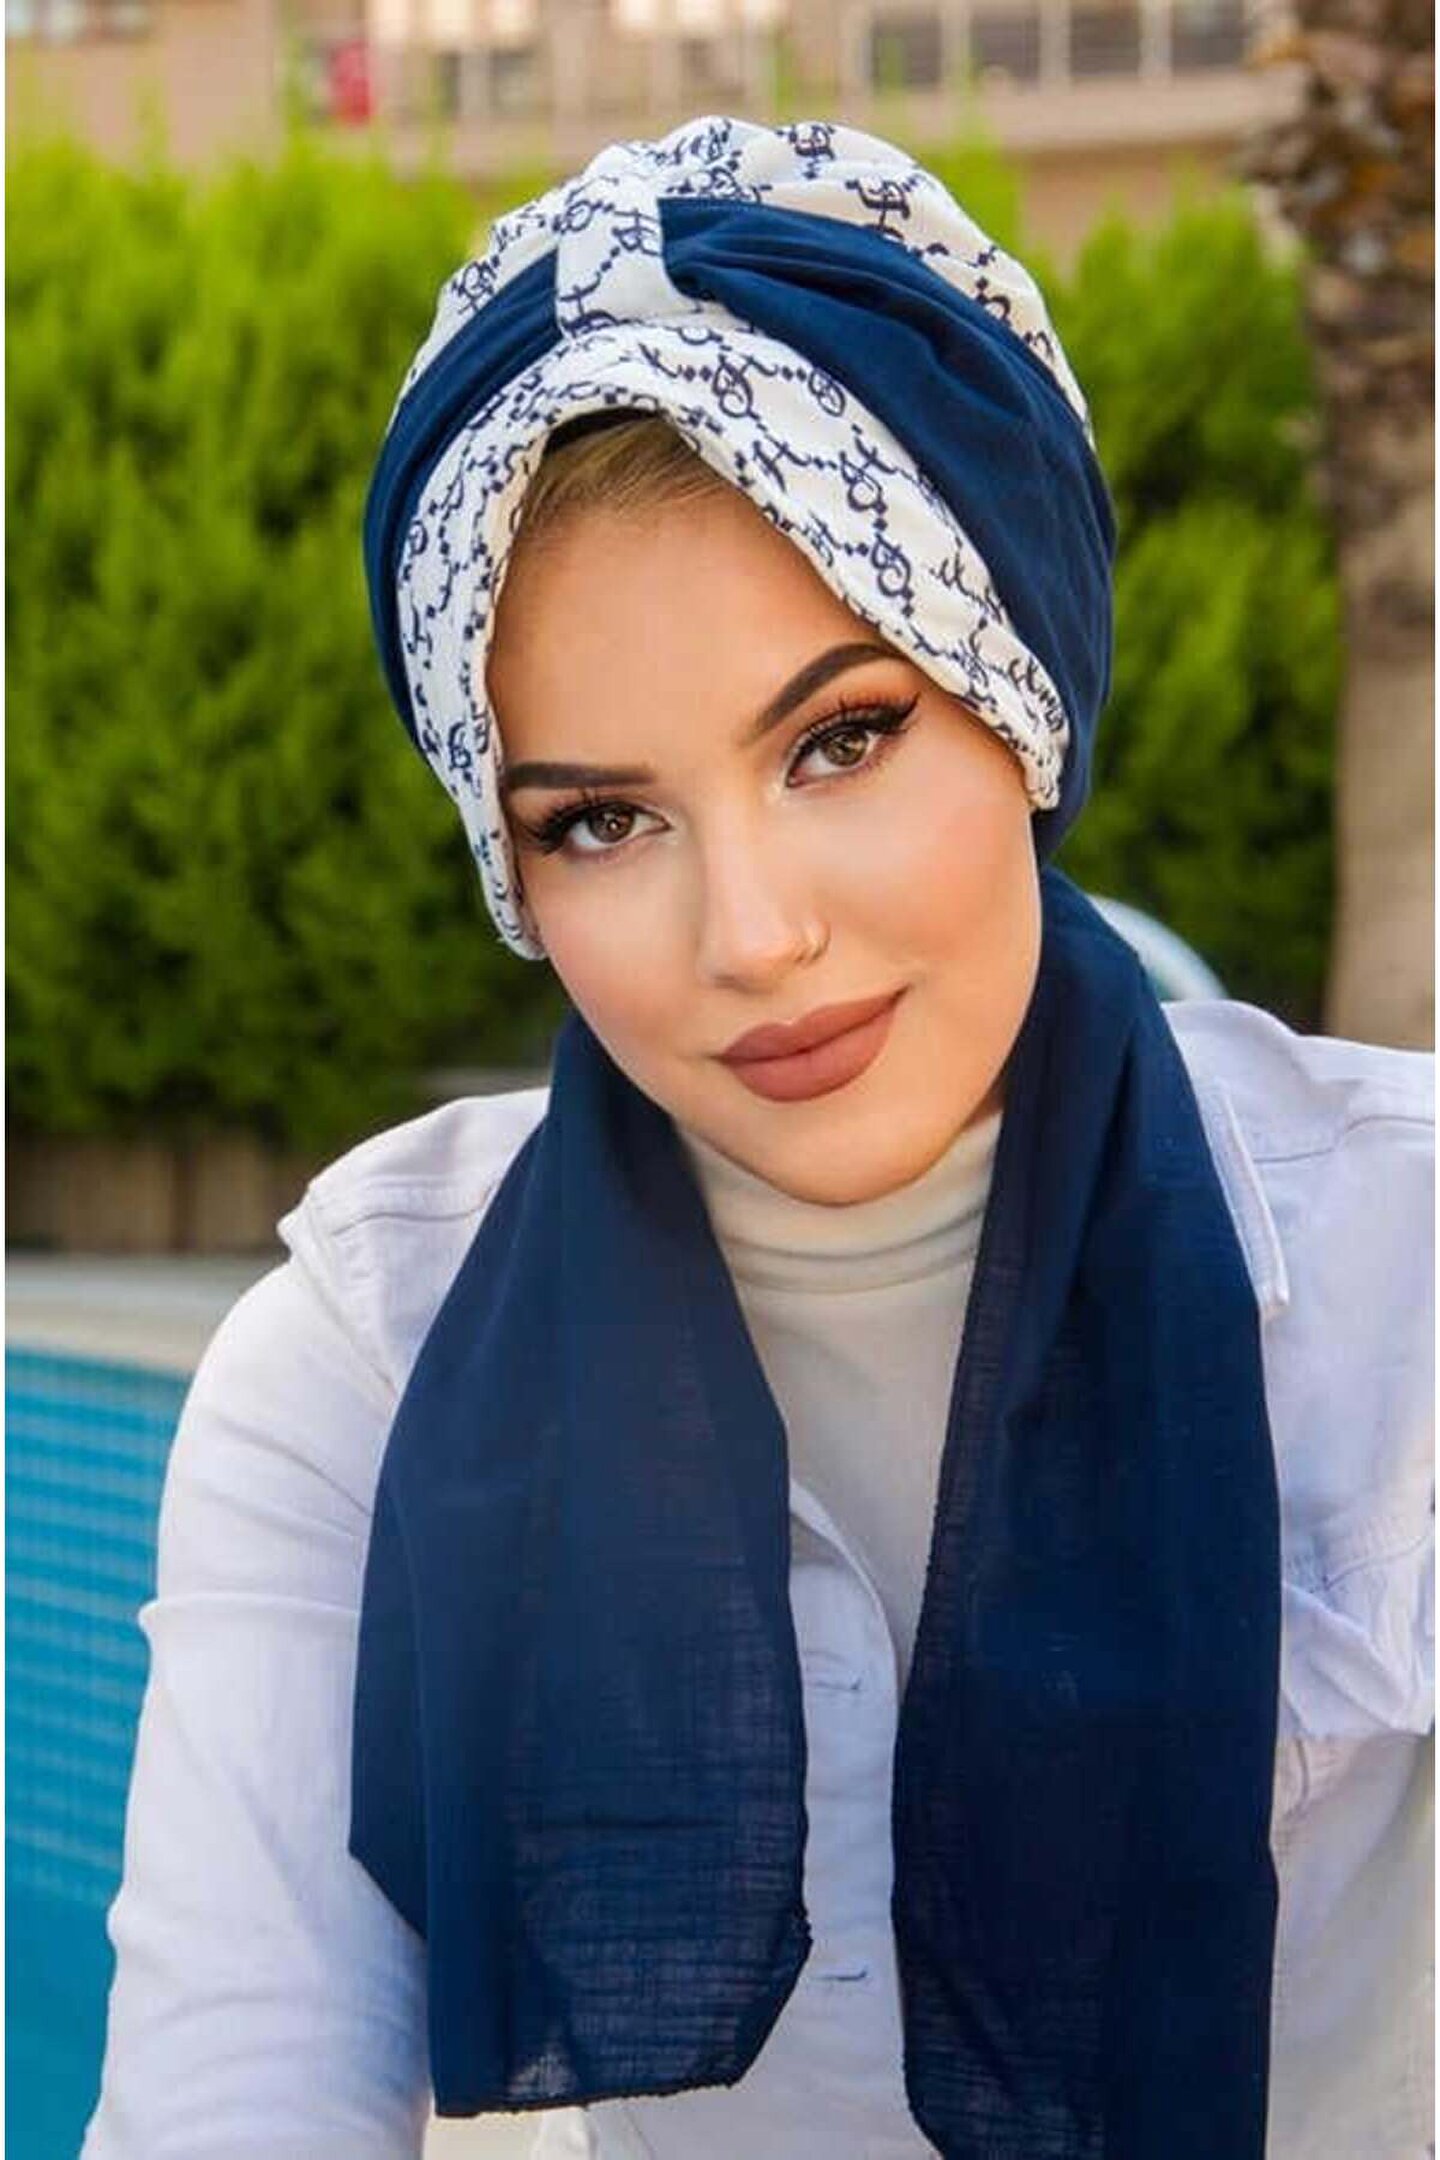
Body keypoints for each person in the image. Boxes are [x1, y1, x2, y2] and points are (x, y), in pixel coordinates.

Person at [83, 118, 1433, 2160]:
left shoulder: (1408, 1273)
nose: (752, 935)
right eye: (600, 821)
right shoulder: (363, 1369)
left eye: (842, 737)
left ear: (1022, 698)